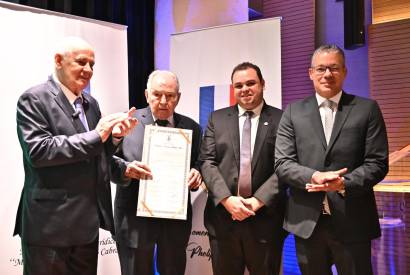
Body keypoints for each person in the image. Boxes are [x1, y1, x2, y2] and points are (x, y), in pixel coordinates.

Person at [14, 37, 137, 275]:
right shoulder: (33, 99)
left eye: (92, 64)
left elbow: (94, 156)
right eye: (81, 62)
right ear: (58, 61)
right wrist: (98, 135)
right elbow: (39, 151)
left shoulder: (91, 103)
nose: (89, 70)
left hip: (85, 227)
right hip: (48, 227)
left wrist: (114, 139)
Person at [274, 44, 389, 275]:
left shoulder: (367, 109)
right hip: (307, 223)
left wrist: (344, 183)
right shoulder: (292, 112)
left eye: (334, 68)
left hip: (353, 221)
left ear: (345, 72)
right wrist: (314, 176)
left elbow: (377, 162)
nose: (327, 74)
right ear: (311, 73)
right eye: (321, 69)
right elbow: (282, 163)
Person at [111, 70, 202, 275]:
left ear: (178, 97)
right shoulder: (127, 121)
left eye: (170, 96)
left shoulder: (191, 127)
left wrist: (197, 173)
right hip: (134, 219)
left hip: (174, 221)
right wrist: (126, 169)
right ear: (146, 95)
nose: (163, 101)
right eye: (157, 94)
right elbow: (106, 163)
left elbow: (200, 162)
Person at [200, 62, 287, 275]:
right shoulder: (216, 119)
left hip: (265, 221)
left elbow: (286, 166)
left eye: (251, 83)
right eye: (238, 85)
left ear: (262, 84)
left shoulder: (282, 118)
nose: (245, 89)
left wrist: (257, 201)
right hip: (223, 221)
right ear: (233, 88)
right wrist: (228, 201)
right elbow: (207, 162)